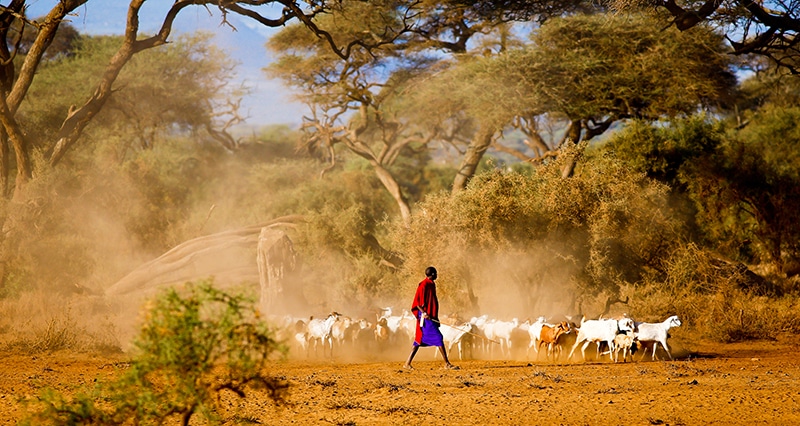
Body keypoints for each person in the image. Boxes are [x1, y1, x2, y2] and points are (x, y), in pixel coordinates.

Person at [403, 266, 459, 370]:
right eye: (436, 273)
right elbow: (417, 303)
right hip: (425, 318)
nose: (437, 275)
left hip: (430, 316)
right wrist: (424, 313)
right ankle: (447, 364)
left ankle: (407, 363)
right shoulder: (424, 285)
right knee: (438, 337)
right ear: (432, 274)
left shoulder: (431, 284)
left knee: (418, 340)